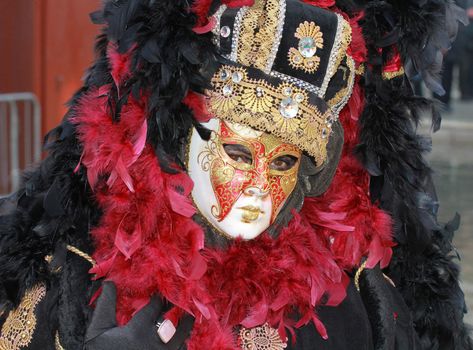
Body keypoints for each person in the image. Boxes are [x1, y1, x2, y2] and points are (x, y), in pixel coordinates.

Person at [0, 0, 471, 349]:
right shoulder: (70, 287)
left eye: (285, 162)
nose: (259, 186)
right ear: (182, 142)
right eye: (239, 153)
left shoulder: (354, 306)